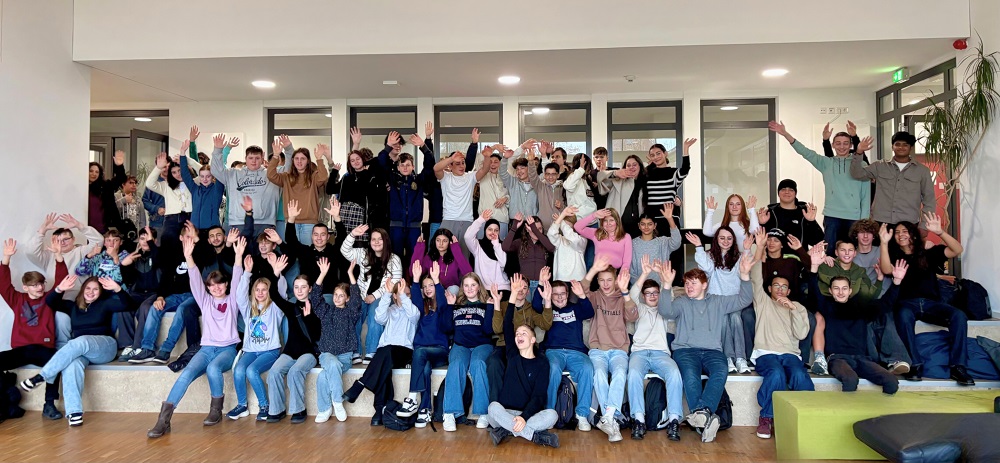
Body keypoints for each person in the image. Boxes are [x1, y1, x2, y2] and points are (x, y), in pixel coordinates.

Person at [146, 236, 244, 437]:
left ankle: (215, 410)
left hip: (227, 349)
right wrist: (189, 256)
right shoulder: (204, 301)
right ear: (208, 288)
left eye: (220, 284)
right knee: (186, 374)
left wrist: (239, 256)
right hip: (206, 349)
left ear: (226, 285)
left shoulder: (233, 300)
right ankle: (163, 421)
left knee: (213, 368)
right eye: (212, 285)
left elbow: (237, 277)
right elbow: (195, 279)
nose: (216, 288)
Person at [658, 255, 754, 443]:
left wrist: (744, 276)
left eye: (693, 283)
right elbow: (665, 311)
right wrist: (667, 286)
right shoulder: (681, 302)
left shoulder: (718, 301)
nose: (689, 287)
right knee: (690, 376)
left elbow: (744, 299)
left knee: (721, 371)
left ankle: (702, 414)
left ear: (704, 285)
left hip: (712, 352)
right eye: (686, 283)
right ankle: (705, 418)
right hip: (685, 351)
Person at [21, 273, 132, 426]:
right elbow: (50, 302)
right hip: (82, 351)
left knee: (80, 341)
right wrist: (59, 289)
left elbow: (128, 305)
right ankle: (74, 413)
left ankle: (42, 376)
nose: (91, 292)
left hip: (104, 347)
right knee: (72, 365)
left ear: (100, 292)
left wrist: (118, 289)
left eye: (95, 289)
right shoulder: (72, 307)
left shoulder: (105, 304)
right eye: (88, 288)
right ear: (82, 290)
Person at [880, 216, 974, 385]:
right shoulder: (894, 254)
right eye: (897, 232)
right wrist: (884, 242)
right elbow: (886, 269)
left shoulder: (928, 253)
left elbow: (957, 250)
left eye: (905, 231)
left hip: (932, 303)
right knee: (902, 315)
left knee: (959, 315)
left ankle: (958, 367)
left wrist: (940, 232)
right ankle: (915, 365)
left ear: (913, 235)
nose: (900, 235)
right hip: (907, 303)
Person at [807, 245, 903, 399]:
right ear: (830, 291)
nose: (840, 292)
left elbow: (886, 303)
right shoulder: (826, 306)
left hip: (862, 358)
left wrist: (896, 282)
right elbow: (813, 294)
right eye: (836, 288)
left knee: (891, 381)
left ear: (850, 291)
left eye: (844, 288)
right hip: (837, 358)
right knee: (850, 379)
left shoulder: (861, 307)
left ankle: (877, 413)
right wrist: (813, 268)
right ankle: (846, 412)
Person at [769, 121, 870, 252]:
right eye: (838, 143)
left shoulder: (861, 165)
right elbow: (805, 152)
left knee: (853, 252)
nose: (842, 147)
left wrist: (864, 221)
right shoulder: (826, 163)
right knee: (830, 253)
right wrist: (785, 134)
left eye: (846, 143)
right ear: (833, 145)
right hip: (832, 215)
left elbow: (866, 195)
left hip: (854, 217)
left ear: (851, 145)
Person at [486, 274, 560, 449]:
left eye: (524, 333)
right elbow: (506, 326)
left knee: (552, 415)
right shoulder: (512, 355)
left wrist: (524, 417)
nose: (519, 335)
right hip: (506, 412)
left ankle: (505, 431)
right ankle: (535, 436)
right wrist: (512, 294)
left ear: (533, 340)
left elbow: (539, 397)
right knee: (492, 408)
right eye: (517, 334)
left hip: (528, 415)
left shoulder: (542, 363)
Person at [747, 256, 813, 440]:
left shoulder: (798, 307)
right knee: (776, 374)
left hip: (790, 354)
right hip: (766, 353)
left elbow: (801, 334)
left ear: (789, 291)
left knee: (799, 375)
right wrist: (759, 251)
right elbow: (756, 279)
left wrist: (792, 309)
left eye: (784, 287)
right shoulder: (763, 302)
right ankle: (766, 417)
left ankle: (807, 416)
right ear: (769, 289)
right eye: (776, 285)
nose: (780, 289)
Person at [0, 238, 67, 420]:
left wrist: (58, 255)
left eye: (42, 283)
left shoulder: (49, 299)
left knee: (56, 362)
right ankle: (4, 400)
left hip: (43, 349)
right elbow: (3, 284)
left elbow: (62, 282)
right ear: (25, 287)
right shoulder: (17, 299)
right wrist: (6, 258)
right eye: (35, 284)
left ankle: (49, 405)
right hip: (21, 350)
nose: (40, 287)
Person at [342, 277, 419, 426]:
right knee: (384, 364)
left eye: (408, 294)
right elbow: (379, 318)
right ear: (394, 295)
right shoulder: (389, 310)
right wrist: (387, 294)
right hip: (387, 352)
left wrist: (403, 296)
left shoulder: (413, 310)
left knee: (384, 354)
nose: (405, 296)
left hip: (404, 352)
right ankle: (380, 411)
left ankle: (361, 384)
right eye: (401, 293)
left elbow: (414, 316)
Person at [582, 257, 639, 443]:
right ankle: (611, 419)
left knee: (620, 373)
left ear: (615, 281)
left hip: (619, 349)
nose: (605, 284)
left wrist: (625, 292)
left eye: (609, 280)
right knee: (598, 373)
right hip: (597, 349)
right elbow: (580, 291)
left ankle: (607, 416)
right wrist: (593, 270)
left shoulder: (622, 297)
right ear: (598, 282)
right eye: (602, 280)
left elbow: (633, 316)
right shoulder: (594, 297)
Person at [627, 256, 683, 441]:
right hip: (639, 353)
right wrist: (645, 273)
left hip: (661, 354)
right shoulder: (639, 308)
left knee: (674, 373)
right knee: (633, 374)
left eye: (655, 293)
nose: (652, 296)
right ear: (644, 296)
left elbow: (669, 294)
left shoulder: (665, 309)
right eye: (648, 293)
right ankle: (639, 419)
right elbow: (632, 294)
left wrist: (661, 275)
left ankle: (674, 420)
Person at [227, 252, 286, 421]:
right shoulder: (249, 308)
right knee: (239, 370)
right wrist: (247, 273)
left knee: (252, 371)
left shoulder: (276, 308)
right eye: (257, 290)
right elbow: (239, 296)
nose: (260, 293)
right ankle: (242, 405)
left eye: (264, 290)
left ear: (269, 291)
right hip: (251, 350)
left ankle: (264, 406)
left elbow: (281, 291)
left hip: (270, 351)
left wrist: (276, 271)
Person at [265, 256, 322, 423]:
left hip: (309, 353)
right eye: (296, 287)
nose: (299, 290)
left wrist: (309, 317)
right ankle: (277, 410)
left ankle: (299, 409)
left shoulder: (318, 307)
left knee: (295, 372)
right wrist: (276, 273)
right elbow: (273, 294)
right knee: (274, 372)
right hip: (290, 351)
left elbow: (317, 335)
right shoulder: (291, 307)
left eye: (303, 287)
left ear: (310, 289)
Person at [485, 271, 553, 410]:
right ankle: (495, 407)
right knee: (493, 362)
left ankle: (532, 409)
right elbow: (497, 329)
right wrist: (496, 304)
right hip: (505, 345)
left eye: (524, 287)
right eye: (517, 286)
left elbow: (546, 324)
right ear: (511, 288)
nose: (520, 290)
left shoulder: (530, 309)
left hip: (526, 349)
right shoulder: (504, 305)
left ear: (528, 291)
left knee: (541, 362)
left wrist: (547, 302)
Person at [849, 219, 912, 368]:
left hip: (885, 298)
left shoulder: (883, 250)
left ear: (874, 236)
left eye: (869, 233)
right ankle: (877, 361)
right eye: (862, 233)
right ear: (856, 235)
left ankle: (895, 360)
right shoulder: (849, 254)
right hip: (863, 301)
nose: (865, 236)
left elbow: (908, 251)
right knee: (865, 320)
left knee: (884, 315)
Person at [535, 275, 595, 432]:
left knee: (587, 368)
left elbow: (589, 312)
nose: (560, 297)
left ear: (568, 294)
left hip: (576, 352)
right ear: (550, 295)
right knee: (553, 368)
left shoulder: (575, 308)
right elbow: (535, 305)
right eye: (555, 294)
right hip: (554, 351)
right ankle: (549, 413)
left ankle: (582, 415)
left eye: (563, 293)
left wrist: (582, 296)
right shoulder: (548, 310)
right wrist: (541, 285)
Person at [438, 273, 496, 431]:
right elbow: (446, 328)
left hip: (482, 345)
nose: (470, 288)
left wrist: (490, 308)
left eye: (473, 285)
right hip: (460, 345)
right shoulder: (457, 305)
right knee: (456, 364)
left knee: (478, 364)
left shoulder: (486, 304)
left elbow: (488, 330)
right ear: (462, 288)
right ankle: (449, 413)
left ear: (479, 287)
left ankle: (483, 413)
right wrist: (450, 306)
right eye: (466, 285)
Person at [689, 227, 751, 374]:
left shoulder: (739, 256)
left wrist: (747, 249)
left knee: (735, 318)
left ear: (733, 240)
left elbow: (745, 268)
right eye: (722, 238)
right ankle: (728, 358)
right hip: (716, 301)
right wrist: (698, 246)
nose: (726, 241)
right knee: (723, 320)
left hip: (734, 300)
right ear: (716, 239)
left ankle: (740, 358)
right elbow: (707, 269)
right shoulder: (709, 256)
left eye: (729, 238)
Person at [395, 261, 449, 427]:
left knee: (419, 353)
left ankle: (412, 397)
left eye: (430, 285)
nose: (427, 289)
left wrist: (437, 281)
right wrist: (416, 280)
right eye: (424, 287)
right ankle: (425, 410)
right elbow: (416, 299)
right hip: (423, 354)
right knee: (424, 367)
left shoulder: (442, 306)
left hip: (439, 351)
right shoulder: (421, 308)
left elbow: (443, 303)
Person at [341, 224, 402, 364]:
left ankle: (371, 351)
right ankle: (354, 351)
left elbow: (394, 282)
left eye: (380, 239)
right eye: (373, 239)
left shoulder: (394, 259)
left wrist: (374, 296)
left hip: (382, 296)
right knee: (353, 315)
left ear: (386, 241)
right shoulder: (363, 253)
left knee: (376, 314)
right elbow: (345, 251)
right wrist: (352, 234)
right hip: (362, 294)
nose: (376, 242)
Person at [851, 132, 935, 227]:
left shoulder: (922, 171)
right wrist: (859, 152)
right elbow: (857, 174)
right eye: (897, 144)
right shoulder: (880, 166)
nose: (901, 147)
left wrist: (924, 225)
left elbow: (929, 199)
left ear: (911, 148)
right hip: (880, 221)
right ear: (892, 147)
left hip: (909, 223)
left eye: (905, 145)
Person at [314, 260, 362, 423]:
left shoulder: (351, 313)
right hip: (327, 355)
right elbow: (315, 298)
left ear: (347, 298)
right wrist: (322, 274)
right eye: (335, 294)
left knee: (323, 376)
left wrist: (350, 274)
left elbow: (357, 299)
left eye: (341, 295)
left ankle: (325, 409)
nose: (337, 298)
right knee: (332, 364)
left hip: (345, 357)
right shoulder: (326, 311)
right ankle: (338, 401)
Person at [211, 133, 286, 236]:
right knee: (239, 247)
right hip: (239, 223)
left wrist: (286, 150)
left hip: (265, 223)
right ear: (245, 158)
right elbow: (216, 170)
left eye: (257, 158)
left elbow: (289, 169)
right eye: (251, 158)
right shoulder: (233, 174)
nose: (254, 161)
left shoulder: (271, 174)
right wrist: (218, 150)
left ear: (262, 158)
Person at [386, 131, 438, 262]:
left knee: (415, 259)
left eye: (408, 165)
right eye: (402, 165)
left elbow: (430, 166)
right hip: (396, 226)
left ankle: (413, 276)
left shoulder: (419, 181)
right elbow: (381, 163)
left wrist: (423, 146)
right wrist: (389, 146)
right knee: (395, 259)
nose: (405, 167)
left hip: (414, 226)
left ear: (413, 166)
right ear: (398, 167)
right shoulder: (392, 180)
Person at [267, 144, 329, 245]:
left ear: (308, 161)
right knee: (291, 252)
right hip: (291, 221)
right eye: (296, 158)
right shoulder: (286, 177)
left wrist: (319, 159)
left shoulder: (313, 177)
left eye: (303, 158)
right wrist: (275, 156)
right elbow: (271, 175)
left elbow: (323, 177)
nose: (299, 161)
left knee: (307, 252)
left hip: (309, 222)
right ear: (293, 160)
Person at [758, 179, 825, 254]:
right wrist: (762, 224)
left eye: (791, 190)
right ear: (778, 193)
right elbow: (756, 241)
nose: (787, 192)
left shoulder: (804, 213)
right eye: (783, 189)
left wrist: (811, 222)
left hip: (800, 259)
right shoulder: (770, 213)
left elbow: (817, 241)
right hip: (775, 259)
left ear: (795, 193)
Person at [643, 139, 695, 234]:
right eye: (652, 155)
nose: (656, 157)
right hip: (651, 221)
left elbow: (685, 169)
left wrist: (685, 148)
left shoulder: (674, 173)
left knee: (673, 243)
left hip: (670, 219)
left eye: (658, 153)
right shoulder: (647, 174)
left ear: (665, 154)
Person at [434, 150, 478, 260]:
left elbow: (484, 170)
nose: (461, 166)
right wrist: (451, 158)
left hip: (467, 220)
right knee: (444, 254)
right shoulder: (446, 177)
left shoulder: (470, 177)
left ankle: (464, 273)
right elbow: (436, 168)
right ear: (450, 165)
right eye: (457, 163)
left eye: (463, 163)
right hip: (448, 219)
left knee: (464, 256)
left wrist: (486, 156)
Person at [181, 127, 225, 231]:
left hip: (212, 230)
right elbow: (185, 174)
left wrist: (218, 150)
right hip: (196, 230)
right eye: (202, 176)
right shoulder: (195, 189)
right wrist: (182, 153)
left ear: (213, 177)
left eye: (208, 176)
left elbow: (220, 170)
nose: (205, 179)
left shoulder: (217, 189)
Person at [503, 213, 555, 298]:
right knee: (524, 306)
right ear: (527, 229)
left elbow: (552, 248)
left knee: (539, 306)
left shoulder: (545, 242)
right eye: (533, 228)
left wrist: (534, 229)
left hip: (542, 283)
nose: (536, 231)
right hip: (524, 284)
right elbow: (505, 247)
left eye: (539, 229)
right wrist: (514, 227)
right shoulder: (520, 242)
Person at [630, 203, 682, 285]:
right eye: (643, 224)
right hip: (638, 287)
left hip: (661, 286)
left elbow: (677, 242)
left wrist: (670, 219)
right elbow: (630, 271)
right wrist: (638, 286)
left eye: (650, 224)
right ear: (639, 226)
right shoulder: (632, 243)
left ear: (655, 226)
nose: (646, 227)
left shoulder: (663, 242)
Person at [464, 210, 511, 294]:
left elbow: (503, 263)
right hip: (483, 289)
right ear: (485, 230)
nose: (493, 232)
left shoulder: (502, 245)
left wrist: (496, 244)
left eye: (496, 230)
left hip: (502, 287)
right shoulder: (477, 246)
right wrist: (480, 220)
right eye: (490, 229)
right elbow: (467, 237)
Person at [599, 154, 646, 237]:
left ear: (640, 166)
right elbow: (600, 178)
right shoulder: (618, 180)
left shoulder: (644, 182)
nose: (631, 167)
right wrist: (615, 173)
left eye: (634, 165)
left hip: (638, 228)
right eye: (628, 165)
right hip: (618, 226)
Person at [575, 208, 632, 276]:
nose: (608, 223)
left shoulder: (626, 237)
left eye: (611, 220)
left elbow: (626, 262)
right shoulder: (596, 233)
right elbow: (577, 227)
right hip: (597, 273)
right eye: (605, 220)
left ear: (617, 222)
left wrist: (620, 278)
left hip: (616, 274)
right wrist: (594, 215)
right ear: (602, 222)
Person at [500, 140, 540, 234]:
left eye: (522, 168)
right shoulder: (512, 182)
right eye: (517, 169)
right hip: (515, 222)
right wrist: (505, 159)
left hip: (532, 222)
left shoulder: (536, 184)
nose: (519, 171)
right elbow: (502, 172)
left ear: (529, 169)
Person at [475, 145, 511, 240]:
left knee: (501, 247)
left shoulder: (506, 177)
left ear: (500, 164)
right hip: (485, 218)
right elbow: (478, 159)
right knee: (482, 246)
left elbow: (512, 195)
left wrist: (505, 198)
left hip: (502, 219)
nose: (492, 164)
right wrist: (493, 147)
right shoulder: (483, 175)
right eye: (490, 162)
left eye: (496, 162)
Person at [88, 150, 128, 234]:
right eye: (91, 171)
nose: (94, 174)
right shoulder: (81, 187)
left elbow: (121, 178)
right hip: (85, 229)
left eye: (97, 172)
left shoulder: (105, 186)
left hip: (102, 229)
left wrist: (119, 166)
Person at [547, 206, 588, 282]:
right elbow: (551, 233)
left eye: (568, 224)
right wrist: (561, 217)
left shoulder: (582, 239)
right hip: (561, 279)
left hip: (578, 279)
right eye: (564, 224)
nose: (565, 227)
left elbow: (571, 236)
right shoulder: (559, 239)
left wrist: (561, 221)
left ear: (574, 225)